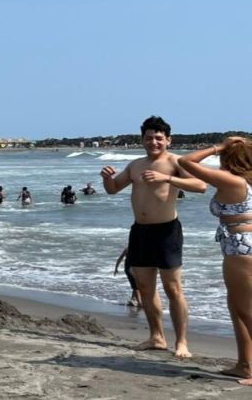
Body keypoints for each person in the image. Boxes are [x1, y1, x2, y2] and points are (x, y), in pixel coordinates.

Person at [101, 115, 206, 358]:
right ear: (142, 140)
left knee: (173, 288)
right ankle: (157, 337)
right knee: (145, 287)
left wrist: (166, 178)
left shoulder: (175, 162)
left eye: (159, 138)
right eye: (149, 138)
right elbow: (113, 190)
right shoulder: (135, 165)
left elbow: (201, 186)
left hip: (167, 230)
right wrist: (107, 178)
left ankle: (181, 342)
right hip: (139, 231)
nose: (154, 142)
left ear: (168, 140)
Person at [179, 136, 252, 382]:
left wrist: (218, 146)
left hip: (241, 249)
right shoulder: (246, 181)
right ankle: (245, 364)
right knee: (236, 307)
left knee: (246, 309)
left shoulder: (232, 180)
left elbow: (186, 161)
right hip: (238, 245)